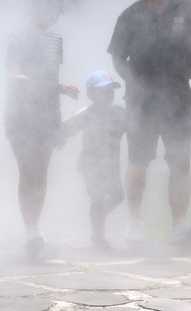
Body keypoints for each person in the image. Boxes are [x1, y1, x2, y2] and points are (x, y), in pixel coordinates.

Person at [107, 0, 191, 246]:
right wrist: (133, 83)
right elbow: (118, 59)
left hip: (178, 96)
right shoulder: (128, 17)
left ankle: (179, 226)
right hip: (141, 101)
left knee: (180, 160)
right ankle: (134, 225)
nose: (158, 3)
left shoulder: (185, 6)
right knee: (138, 161)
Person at [5, 0, 80, 258]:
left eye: (56, 9)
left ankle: (35, 226)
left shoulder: (56, 40)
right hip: (20, 113)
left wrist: (57, 118)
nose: (52, 14)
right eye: (47, 7)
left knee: (41, 172)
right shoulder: (17, 38)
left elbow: (53, 75)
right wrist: (55, 88)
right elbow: (15, 78)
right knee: (28, 170)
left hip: (48, 114)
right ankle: (31, 230)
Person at [61, 70, 127, 249]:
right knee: (97, 199)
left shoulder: (119, 113)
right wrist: (56, 138)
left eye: (111, 91)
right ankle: (98, 235)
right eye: (103, 91)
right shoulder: (86, 114)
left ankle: (98, 218)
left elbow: (136, 124)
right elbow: (65, 128)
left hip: (112, 164)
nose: (109, 95)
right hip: (91, 163)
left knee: (118, 196)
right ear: (90, 94)